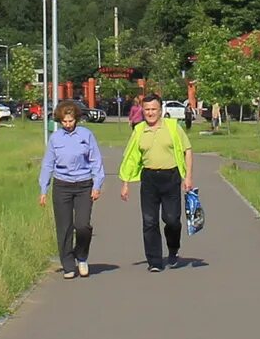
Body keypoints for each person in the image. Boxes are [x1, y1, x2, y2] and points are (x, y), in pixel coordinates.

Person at [116, 91, 194, 271]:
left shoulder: (173, 127)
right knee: (149, 221)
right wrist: (125, 183)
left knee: (172, 220)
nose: (150, 113)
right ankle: (154, 261)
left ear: (160, 110)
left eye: (154, 109)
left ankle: (173, 249)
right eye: (147, 109)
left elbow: (187, 150)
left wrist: (188, 176)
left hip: (171, 177)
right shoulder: (139, 130)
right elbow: (131, 157)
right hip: (149, 179)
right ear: (142, 111)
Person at [36, 101, 104, 278]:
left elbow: (95, 160)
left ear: (76, 119)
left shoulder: (86, 135)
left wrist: (97, 185)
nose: (68, 125)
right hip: (62, 186)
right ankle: (68, 265)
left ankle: (81, 256)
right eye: (64, 122)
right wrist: (43, 189)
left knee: (82, 225)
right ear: (60, 121)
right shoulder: (55, 139)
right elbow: (48, 164)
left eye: (71, 121)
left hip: (83, 184)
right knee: (64, 227)